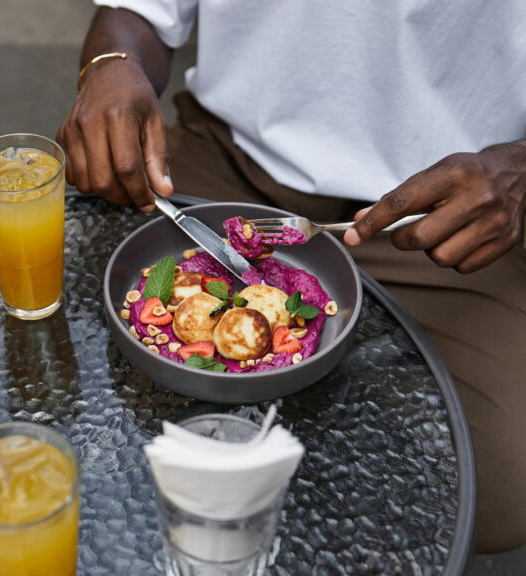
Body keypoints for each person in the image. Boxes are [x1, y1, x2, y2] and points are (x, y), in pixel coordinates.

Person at [59, 1, 526, 554]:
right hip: (228, 159)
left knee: (502, 488)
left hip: (436, 209)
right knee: (76, 362)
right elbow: (136, 15)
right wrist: (111, 66)